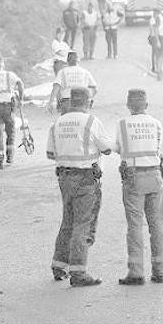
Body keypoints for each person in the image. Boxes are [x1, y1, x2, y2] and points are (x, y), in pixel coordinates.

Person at [46, 87, 115, 286]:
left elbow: (51, 154)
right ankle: (78, 274)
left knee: (68, 221)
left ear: (70, 102)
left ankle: (59, 267)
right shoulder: (92, 121)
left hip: (64, 178)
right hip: (86, 179)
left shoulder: (57, 123)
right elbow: (107, 149)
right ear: (89, 102)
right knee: (83, 225)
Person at [114, 89, 163, 285]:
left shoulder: (122, 124)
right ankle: (159, 271)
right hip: (154, 175)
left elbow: (119, 148)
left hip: (133, 177)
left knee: (135, 226)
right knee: (157, 226)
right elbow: (158, 149)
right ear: (146, 105)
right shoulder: (156, 124)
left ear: (128, 105)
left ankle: (136, 273)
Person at [47, 49, 97, 114]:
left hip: (67, 101)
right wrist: (89, 98)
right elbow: (95, 89)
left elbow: (56, 87)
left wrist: (50, 102)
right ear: (78, 61)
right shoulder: (85, 72)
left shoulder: (62, 72)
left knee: (67, 121)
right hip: (82, 101)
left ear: (67, 61)